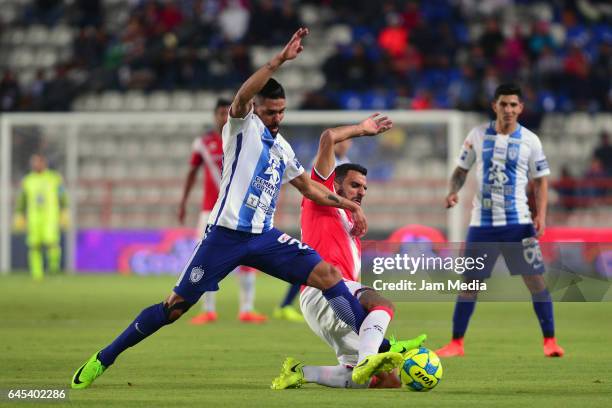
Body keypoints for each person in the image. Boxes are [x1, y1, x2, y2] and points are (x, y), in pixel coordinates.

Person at [71, 28, 380, 389]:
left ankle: (377, 346)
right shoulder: (240, 128)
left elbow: (310, 188)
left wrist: (349, 206)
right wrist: (279, 60)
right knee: (173, 308)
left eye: (280, 112)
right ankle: (103, 358)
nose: (276, 118)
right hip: (225, 236)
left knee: (328, 275)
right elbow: (243, 93)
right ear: (255, 109)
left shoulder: (283, 150)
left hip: (264, 238)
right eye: (269, 111)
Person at [271, 115, 426, 389]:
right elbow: (328, 137)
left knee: (386, 381)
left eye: (365, 187)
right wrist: (361, 130)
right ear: (335, 184)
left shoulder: (351, 224)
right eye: (355, 185)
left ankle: (300, 372)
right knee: (383, 304)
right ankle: (370, 356)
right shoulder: (320, 198)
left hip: (328, 307)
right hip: (325, 292)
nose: (362, 191)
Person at [436, 83, 564, 358]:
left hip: (519, 224)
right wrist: (452, 192)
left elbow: (541, 182)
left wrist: (541, 215)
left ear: (520, 108)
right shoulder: (477, 135)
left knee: (536, 281)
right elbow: (461, 169)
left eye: (513, 105)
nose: (508, 109)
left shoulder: (530, 140)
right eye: (503, 104)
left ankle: (550, 341)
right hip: (481, 225)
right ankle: (456, 343)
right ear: (495, 106)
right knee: (470, 284)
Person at [178, 98, 267, 324]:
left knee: (248, 257)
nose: (221, 117)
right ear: (214, 116)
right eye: (218, 113)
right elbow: (191, 173)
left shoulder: (246, 140)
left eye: (225, 112)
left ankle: (246, 309)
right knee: (205, 259)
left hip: (240, 209)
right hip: (209, 211)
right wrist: (183, 202)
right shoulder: (203, 143)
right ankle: (208, 310)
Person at [273, 139, 353, 322]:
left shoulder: (346, 163)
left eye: (347, 141)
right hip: (318, 219)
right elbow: (311, 188)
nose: (343, 145)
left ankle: (292, 305)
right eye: (341, 141)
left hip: (333, 218)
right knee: (311, 263)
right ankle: (286, 305)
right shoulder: (323, 163)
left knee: (321, 266)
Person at [13, 154, 68, 281]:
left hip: (50, 217)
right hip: (34, 217)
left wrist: (64, 211)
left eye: (38, 162)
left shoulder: (54, 178)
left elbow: (62, 195)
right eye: (34, 162)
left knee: (51, 242)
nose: (36, 165)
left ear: (44, 163)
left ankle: (53, 268)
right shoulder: (28, 180)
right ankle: (37, 274)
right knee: (34, 245)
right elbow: (22, 199)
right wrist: (19, 214)